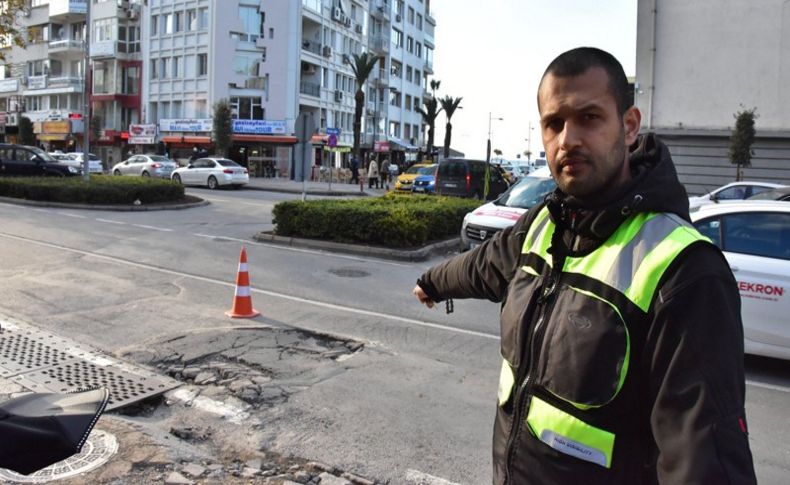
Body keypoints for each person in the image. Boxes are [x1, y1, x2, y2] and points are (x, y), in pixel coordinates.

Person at [412, 47, 756, 484]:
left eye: (589, 118)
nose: (567, 139)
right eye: (554, 123)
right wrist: (432, 283)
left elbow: (703, 460)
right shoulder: (544, 224)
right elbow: (483, 264)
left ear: (629, 127)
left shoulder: (685, 271)